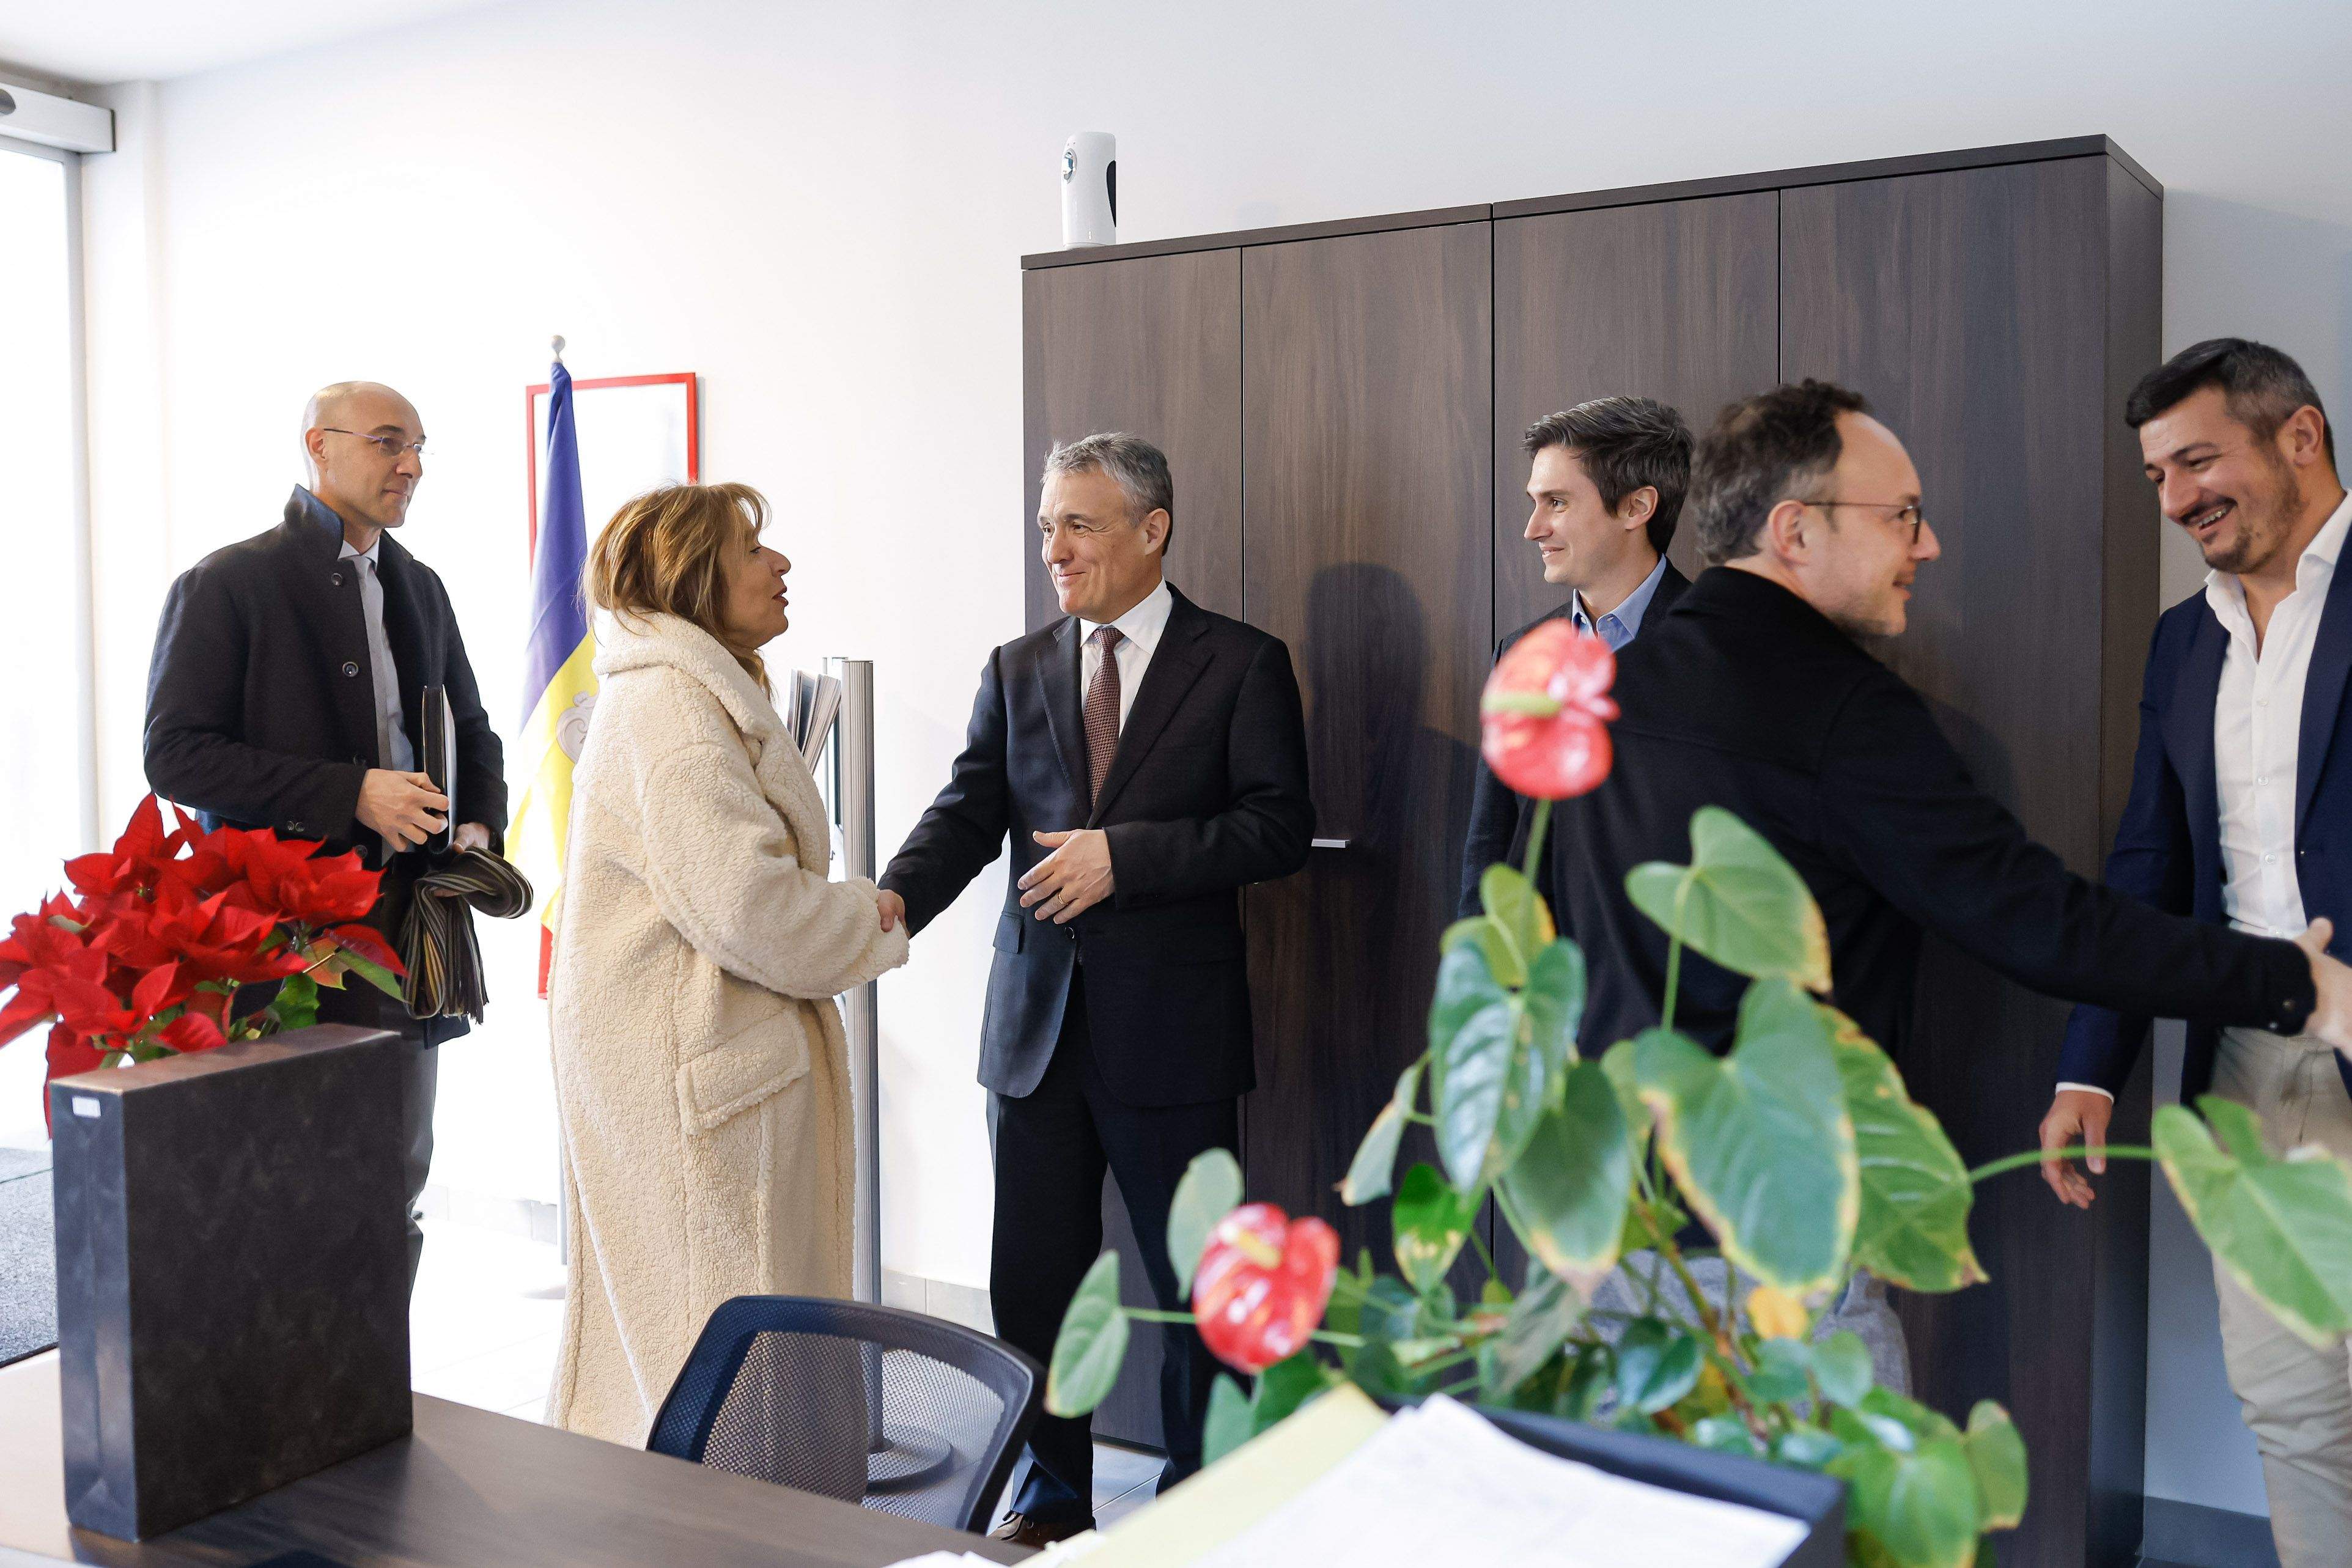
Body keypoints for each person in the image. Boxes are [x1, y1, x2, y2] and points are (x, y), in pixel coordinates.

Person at [1546, 378, 2352, 1389]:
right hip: (1766, 1256)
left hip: (1598, 1221)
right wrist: (2300, 985)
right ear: (1794, 532)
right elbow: (2039, 922)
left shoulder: (1603, 685)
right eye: (1903, 518)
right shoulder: (1843, 715)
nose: (1924, 548)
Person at [879, 433, 1313, 1547]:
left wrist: (1127, 854)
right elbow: (969, 814)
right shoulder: (1019, 666)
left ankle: (1201, 1503)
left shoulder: (1242, 662)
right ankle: (1050, 1496)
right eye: (1044, 527)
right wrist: (888, 905)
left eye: (1077, 524)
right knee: (1034, 1290)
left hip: (1176, 1033)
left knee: (1194, 1293)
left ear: (1151, 529)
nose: (1052, 549)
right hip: (1032, 1035)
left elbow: (1275, 828)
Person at [2040, 339, 2352, 1567]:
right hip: (2244, 1063)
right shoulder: (2185, 641)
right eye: (2157, 475)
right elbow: (2147, 873)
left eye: (2197, 461)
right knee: (2289, 1401)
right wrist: (2087, 1068)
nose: (2174, 500)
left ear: (2300, 438)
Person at [544, 483, 908, 1449]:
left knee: (717, 1357)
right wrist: (864, 913)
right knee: (724, 1371)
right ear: (693, 575)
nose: (777, 565)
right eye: (753, 549)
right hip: (701, 1090)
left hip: (700, 1071)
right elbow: (751, 909)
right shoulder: (672, 713)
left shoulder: (686, 693)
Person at [144, 381, 505, 1289]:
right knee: (282, 1187)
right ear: (319, 444)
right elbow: (175, 757)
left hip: (409, 933)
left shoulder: (421, 587)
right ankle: (286, 1412)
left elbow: (474, 731)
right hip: (278, 941)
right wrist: (353, 795)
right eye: (389, 443)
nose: (411, 465)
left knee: (395, 1185)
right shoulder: (227, 583)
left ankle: (375, 1404)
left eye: (419, 446)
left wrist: (478, 822)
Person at [1459, 396, 1692, 915]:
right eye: (1534, 501)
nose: (1532, 528)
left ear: (1637, 507)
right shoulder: (1521, 651)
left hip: (1664, 979)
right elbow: (1491, 840)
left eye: (1557, 503)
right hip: (1543, 977)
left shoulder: (1716, 648)